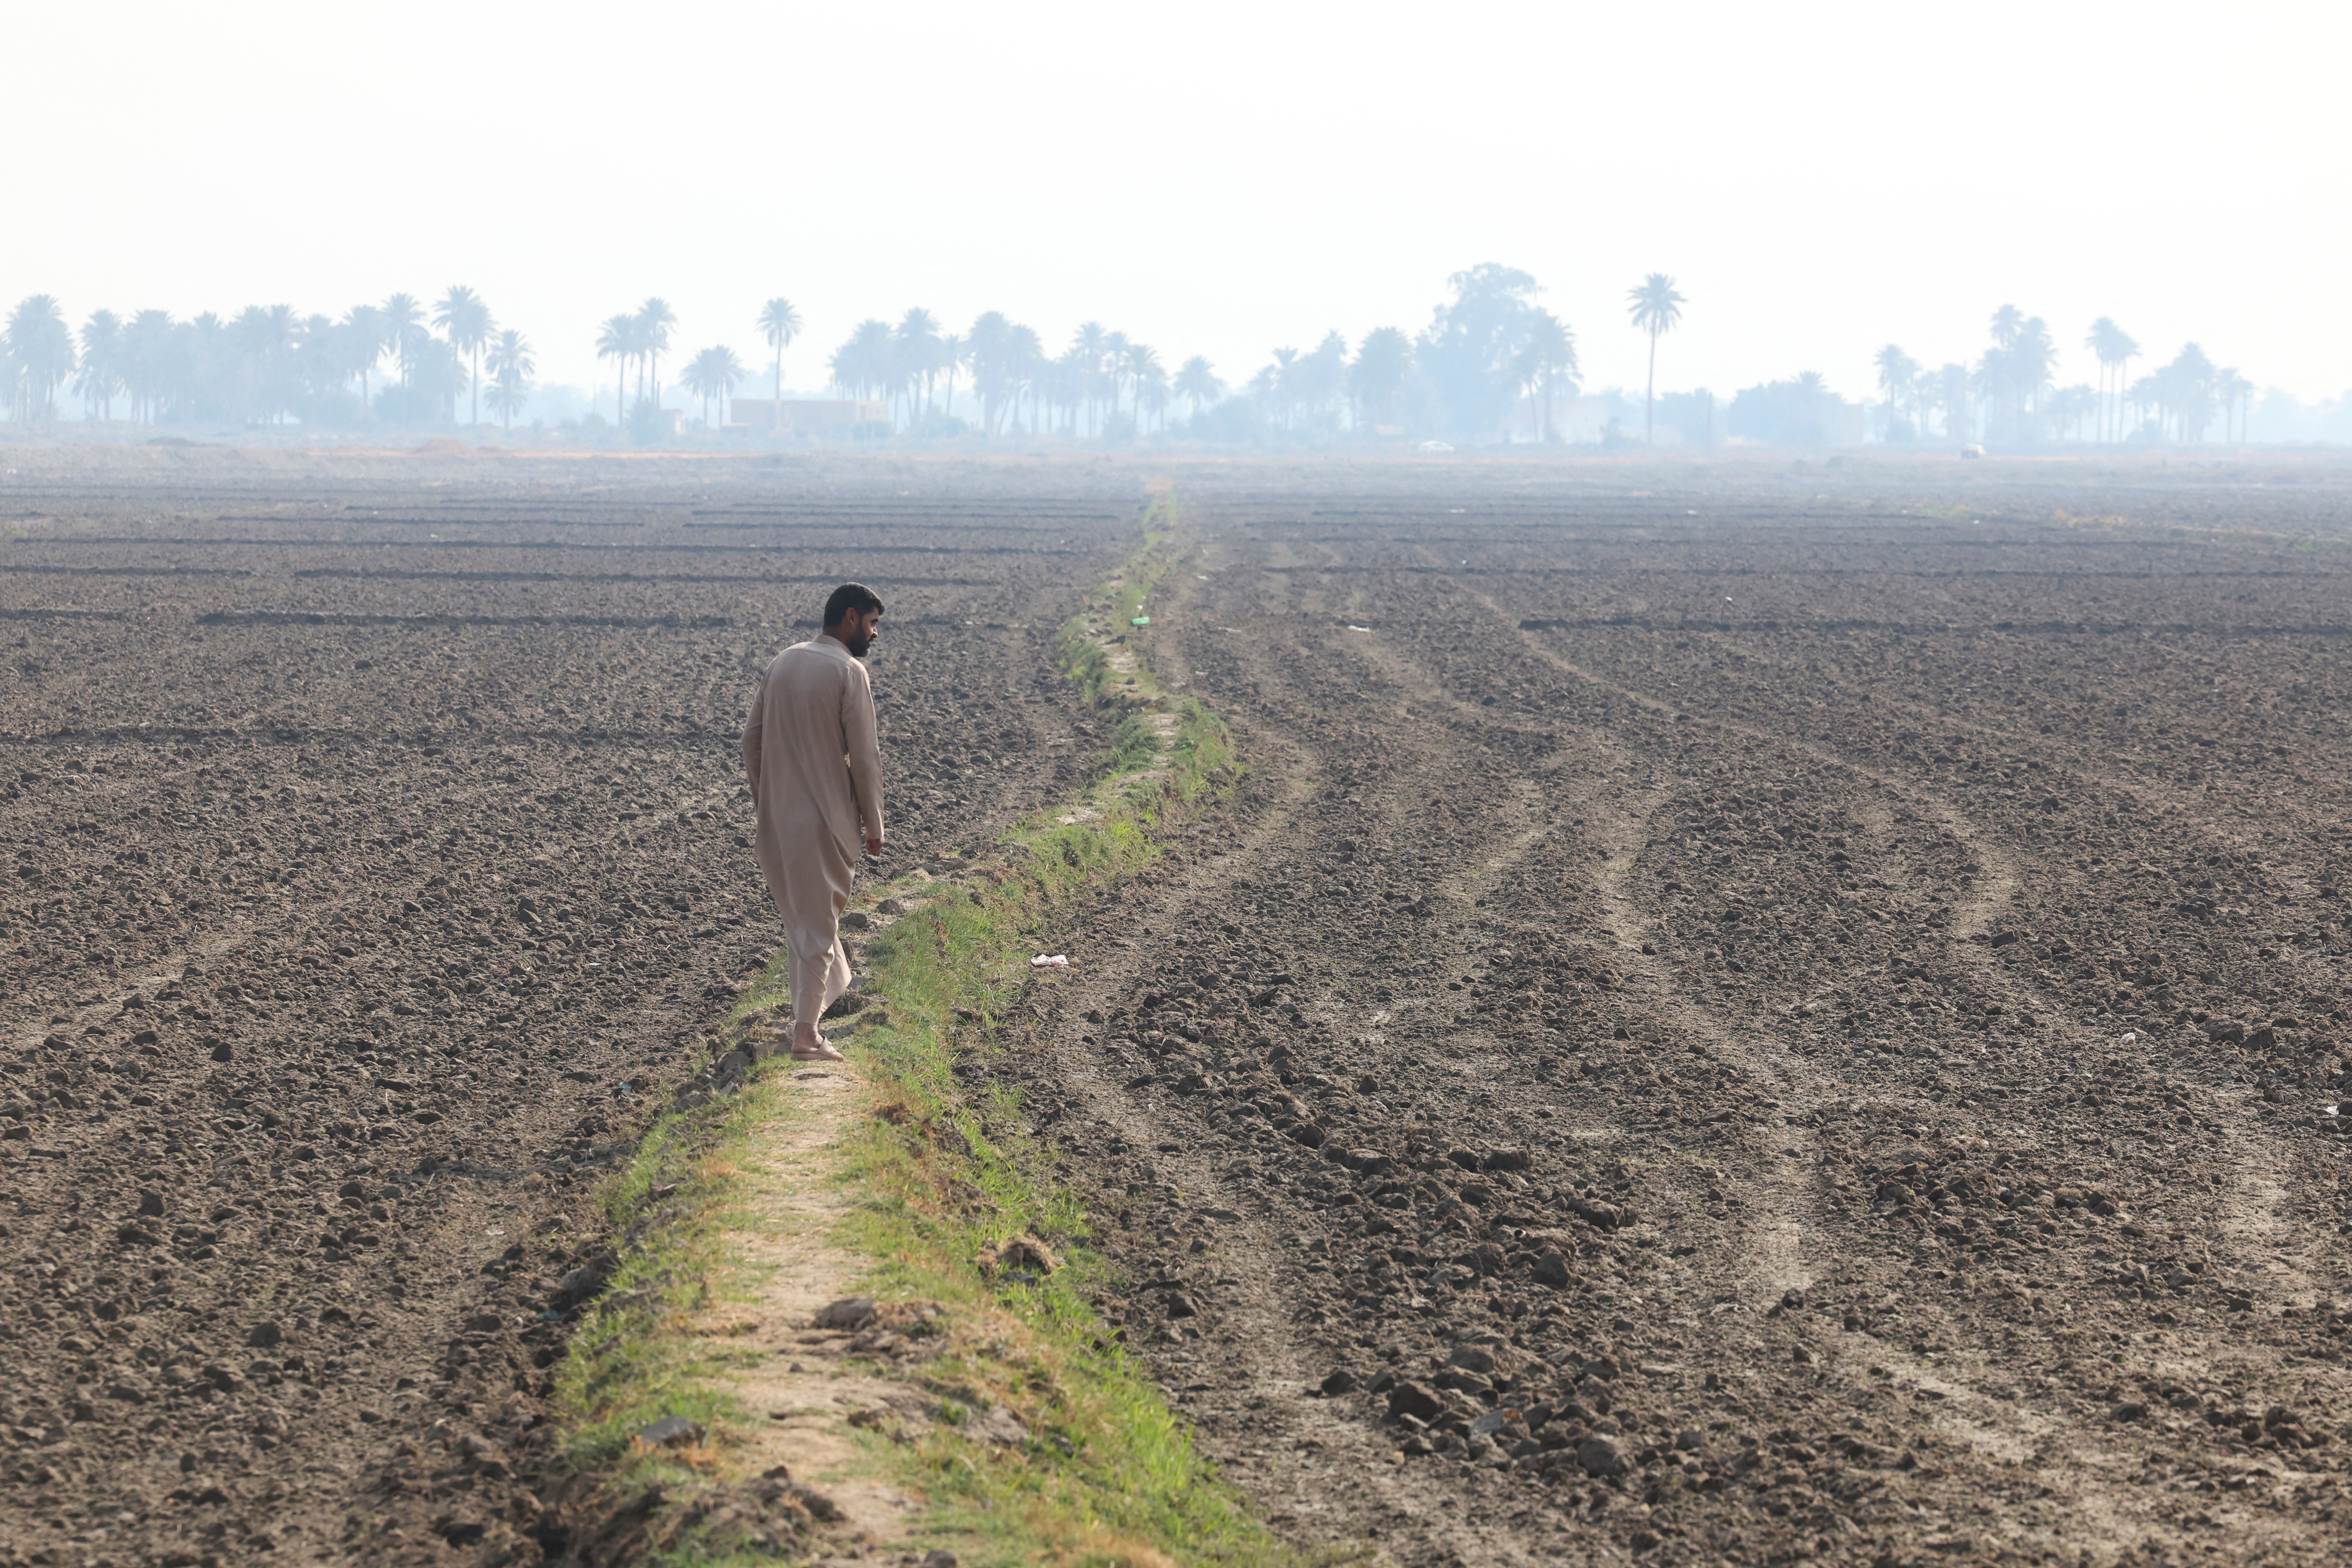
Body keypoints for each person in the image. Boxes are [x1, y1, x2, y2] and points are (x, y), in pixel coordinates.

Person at [741, 583, 887, 1061]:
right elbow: (865, 757)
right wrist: (874, 824)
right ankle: (806, 1034)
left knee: (805, 922)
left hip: (779, 822)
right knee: (819, 928)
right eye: (872, 623)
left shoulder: (782, 661)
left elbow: (751, 743)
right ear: (850, 617)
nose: (875, 634)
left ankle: (808, 1019)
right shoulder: (849, 671)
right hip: (826, 820)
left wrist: (769, 799)